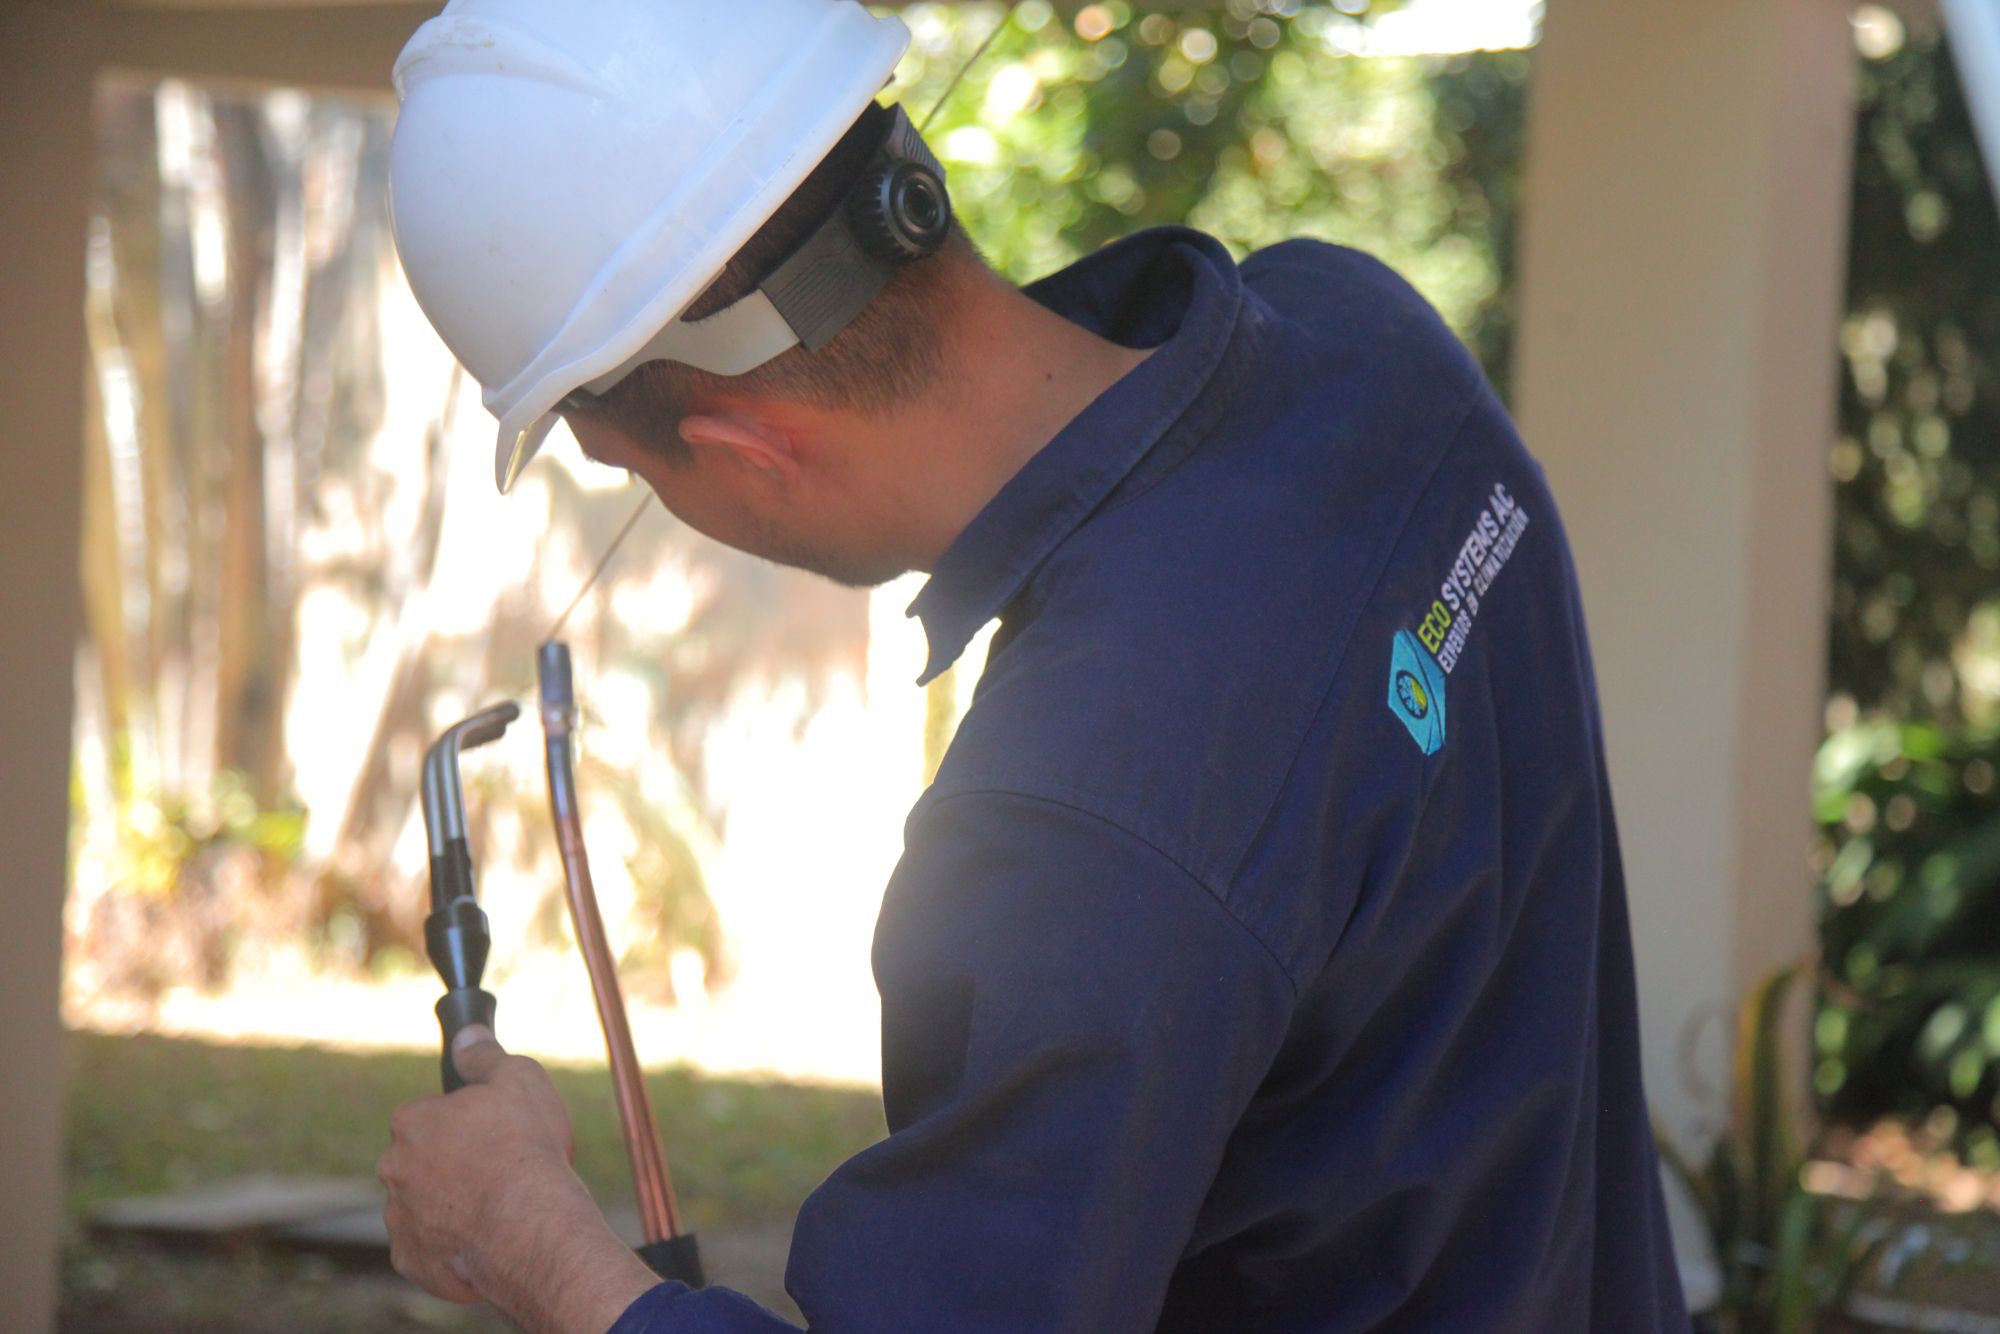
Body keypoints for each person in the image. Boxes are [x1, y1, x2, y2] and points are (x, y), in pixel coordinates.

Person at [375, 1, 1689, 1330]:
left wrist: (530, 1239)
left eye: (632, 470)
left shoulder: (1080, 822)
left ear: (744, 446)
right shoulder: (1367, 338)